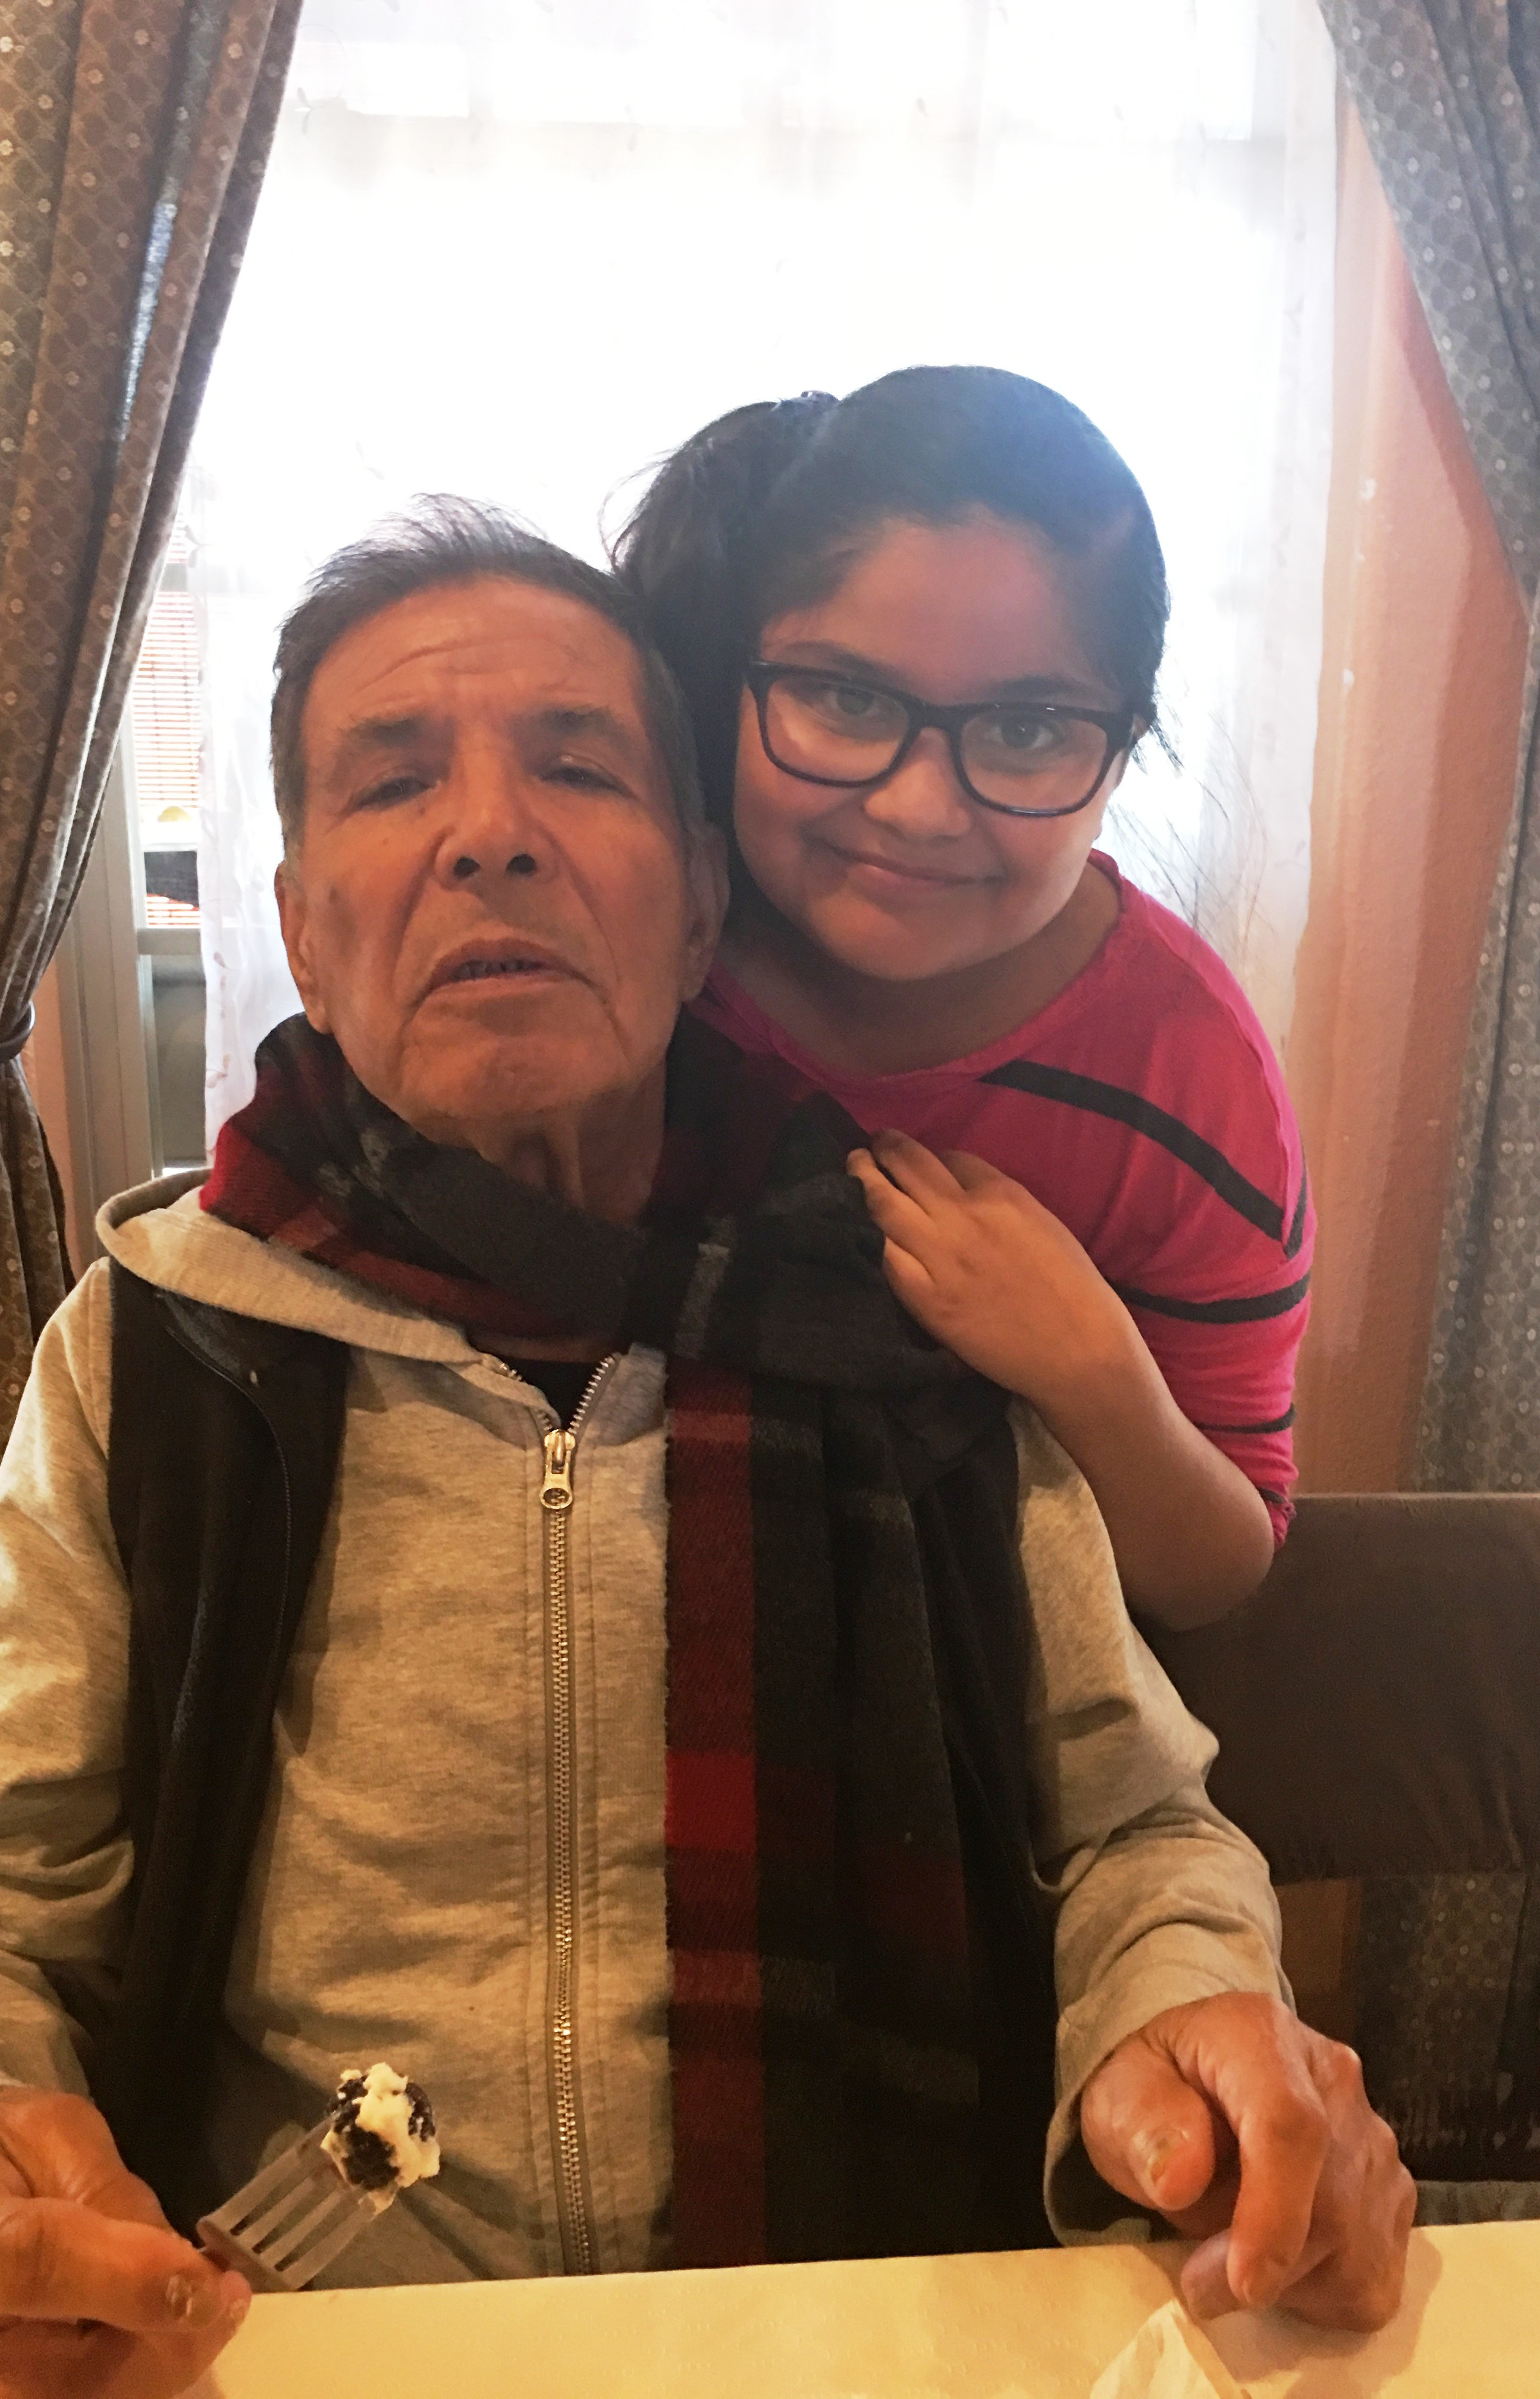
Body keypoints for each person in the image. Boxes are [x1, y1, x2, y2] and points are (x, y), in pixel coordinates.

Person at [0, 503, 1409, 2399]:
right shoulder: (162, 1351)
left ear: (696, 912)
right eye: (393, 780)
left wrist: (1191, 2013)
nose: (488, 832)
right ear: (305, 936)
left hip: (871, 2340)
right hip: (302, 2348)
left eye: (577, 767)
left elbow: (1131, 1831)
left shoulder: (909, 1312)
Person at [613, 368, 1313, 1630]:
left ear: (1125, 750)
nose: (918, 808)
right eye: (846, 698)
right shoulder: (635, 961)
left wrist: (1089, 1365)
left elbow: (1217, 1570)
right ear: (737, 687)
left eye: (1028, 729)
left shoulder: (1188, 1083)